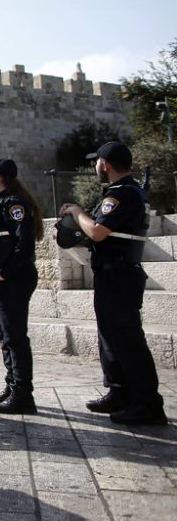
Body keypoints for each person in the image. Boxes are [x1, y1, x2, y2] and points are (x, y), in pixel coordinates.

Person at [59, 141, 167, 426]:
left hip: (118, 275)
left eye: (97, 162)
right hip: (114, 273)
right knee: (110, 337)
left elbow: (97, 231)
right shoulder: (130, 192)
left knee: (127, 340)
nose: (96, 167)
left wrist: (78, 212)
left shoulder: (120, 194)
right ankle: (119, 391)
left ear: (105, 165)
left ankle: (147, 404)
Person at [0, 159, 42, 414]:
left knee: (15, 336)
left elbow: (24, 243)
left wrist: (6, 272)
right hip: (3, 277)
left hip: (14, 278)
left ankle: (23, 395)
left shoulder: (14, 204)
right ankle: (12, 385)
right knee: (5, 334)